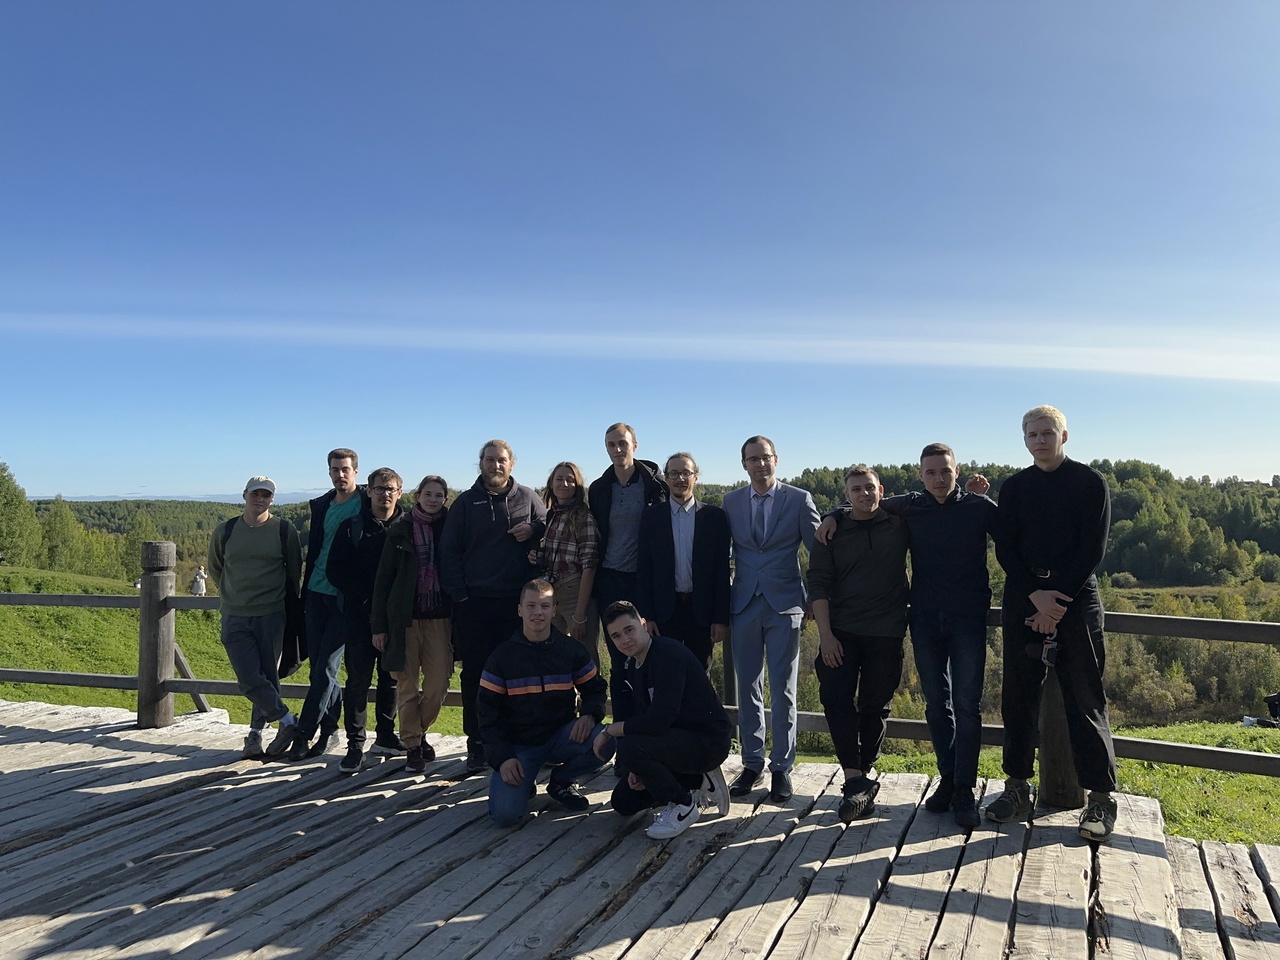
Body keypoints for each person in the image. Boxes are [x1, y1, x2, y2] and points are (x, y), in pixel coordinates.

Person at [816, 443, 997, 827]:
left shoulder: (979, 507)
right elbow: (865, 502)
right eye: (930, 472)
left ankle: (964, 790)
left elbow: (1016, 541)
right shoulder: (912, 506)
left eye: (945, 471)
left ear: (957, 470)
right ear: (921, 475)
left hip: (967, 618)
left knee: (966, 705)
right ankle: (948, 780)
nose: (938, 478)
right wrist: (833, 513)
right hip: (925, 617)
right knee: (936, 704)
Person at [988, 405, 1118, 842]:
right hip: (1025, 596)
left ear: (1064, 436)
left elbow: (1092, 549)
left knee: (1085, 696)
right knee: (1018, 695)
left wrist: (1056, 601)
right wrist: (1036, 596)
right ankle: (1016, 788)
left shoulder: (1089, 482)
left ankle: (1101, 798)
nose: (1040, 441)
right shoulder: (1015, 487)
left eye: (1047, 433)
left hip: (1075, 598)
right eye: (1032, 435)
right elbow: (1006, 548)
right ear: (1025, 439)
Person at [808, 466, 910, 822]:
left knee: (875, 705)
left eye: (869, 488)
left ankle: (861, 778)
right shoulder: (830, 533)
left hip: (886, 631)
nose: (864, 494)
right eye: (856, 490)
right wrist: (826, 637)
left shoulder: (899, 523)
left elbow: (934, 505)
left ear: (881, 490)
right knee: (836, 700)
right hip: (841, 632)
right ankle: (855, 778)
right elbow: (818, 584)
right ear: (846, 495)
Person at [722, 435, 820, 802]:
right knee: (748, 686)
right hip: (744, 603)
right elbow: (720, 554)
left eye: (765, 458)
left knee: (783, 689)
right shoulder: (731, 502)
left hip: (785, 605)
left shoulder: (799, 499)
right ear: (744, 464)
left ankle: (781, 767)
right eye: (753, 459)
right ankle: (752, 764)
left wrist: (815, 599)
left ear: (775, 460)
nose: (760, 464)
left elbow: (818, 553)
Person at [441, 440, 548, 774]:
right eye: (490, 460)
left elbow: (550, 527)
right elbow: (448, 551)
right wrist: (460, 596)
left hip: (517, 604)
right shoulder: (465, 503)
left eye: (501, 460)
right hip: (474, 603)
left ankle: (517, 740)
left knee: (519, 672)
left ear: (511, 463)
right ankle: (477, 742)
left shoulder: (528, 498)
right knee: (476, 674)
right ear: (481, 463)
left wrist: (534, 528)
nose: (495, 465)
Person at [476, 579, 609, 826]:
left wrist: (589, 715)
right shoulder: (501, 658)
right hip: (520, 746)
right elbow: (487, 716)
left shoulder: (570, 650)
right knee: (505, 815)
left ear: (554, 610)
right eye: (531, 606)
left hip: (561, 736)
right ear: (520, 610)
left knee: (606, 740)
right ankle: (523, 783)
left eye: (545, 606)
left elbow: (595, 688)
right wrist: (503, 758)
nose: (538, 612)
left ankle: (561, 781)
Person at [595, 601, 732, 839]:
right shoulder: (633, 665)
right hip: (674, 740)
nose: (625, 640)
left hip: (706, 741)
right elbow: (645, 718)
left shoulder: (668, 655)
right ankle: (699, 779)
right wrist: (639, 768)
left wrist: (611, 730)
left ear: (643, 625)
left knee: (628, 747)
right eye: (616, 636)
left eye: (629, 630)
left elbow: (659, 720)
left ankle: (683, 806)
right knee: (624, 801)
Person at [207, 476, 302, 759]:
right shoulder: (226, 530)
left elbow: (293, 572)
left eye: (266, 495)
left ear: (272, 499)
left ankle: (255, 735)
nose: (260, 499)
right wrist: (233, 594)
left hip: (271, 614)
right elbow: (216, 567)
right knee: (248, 677)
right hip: (234, 614)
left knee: (267, 676)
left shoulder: (284, 530)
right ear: (244, 495)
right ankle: (288, 721)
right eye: (255, 494)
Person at [325, 467, 408, 774]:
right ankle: (355, 745)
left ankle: (385, 736)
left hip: (396, 618)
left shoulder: (408, 526)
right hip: (359, 618)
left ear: (399, 493)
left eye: (390, 489)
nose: (385, 494)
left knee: (391, 679)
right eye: (379, 488)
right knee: (358, 681)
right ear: (369, 491)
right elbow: (335, 570)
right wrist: (364, 599)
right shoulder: (352, 527)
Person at [288, 448, 367, 761]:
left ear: (356, 471)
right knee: (318, 671)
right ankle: (330, 729)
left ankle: (303, 734)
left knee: (326, 667)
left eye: (345, 469)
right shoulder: (322, 504)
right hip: (315, 592)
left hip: (344, 597)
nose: (340, 474)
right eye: (335, 469)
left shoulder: (366, 502)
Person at [372, 475, 454, 774]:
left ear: (445, 499)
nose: (433, 500)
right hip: (404, 619)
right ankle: (413, 746)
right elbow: (383, 581)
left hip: (440, 618)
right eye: (428, 494)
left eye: (438, 495)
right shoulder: (400, 530)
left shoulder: (451, 529)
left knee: (438, 684)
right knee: (407, 685)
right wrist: (379, 626)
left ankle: (417, 732)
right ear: (417, 496)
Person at [587, 422, 669, 722]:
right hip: (610, 579)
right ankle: (623, 730)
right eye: (611, 445)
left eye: (623, 443)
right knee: (619, 658)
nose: (618, 449)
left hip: (644, 580)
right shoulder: (599, 488)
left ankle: (651, 727)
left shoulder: (654, 485)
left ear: (635, 445)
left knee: (648, 653)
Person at [635, 452, 731, 672]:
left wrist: (720, 618)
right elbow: (645, 569)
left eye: (686, 473)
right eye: (674, 473)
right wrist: (647, 616)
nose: (680, 478)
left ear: (695, 477)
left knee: (699, 674)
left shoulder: (714, 517)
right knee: (665, 672)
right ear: (666, 478)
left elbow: (721, 571)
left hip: (702, 613)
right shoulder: (651, 517)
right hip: (664, 613)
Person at [532, 461, 601, 660]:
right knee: (552, 653)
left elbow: (589, 567)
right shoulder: (553, 515)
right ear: (551, 483)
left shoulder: (584, 517)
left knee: (584, 655)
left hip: (575, 591)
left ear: (577, 485)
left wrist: (579, 615)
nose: (564, 484)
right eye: (559, 479)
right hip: (552, 591)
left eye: (570, 480)